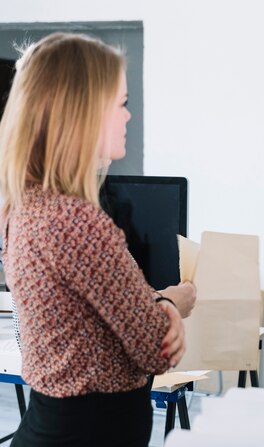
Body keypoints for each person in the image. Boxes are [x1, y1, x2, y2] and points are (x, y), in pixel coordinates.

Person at [0, 32, 194, 446]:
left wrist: (158, 305)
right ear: (82, 112)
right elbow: (155, 351)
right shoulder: (76, 221)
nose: (128, 116)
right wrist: (173, 305)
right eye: (120, 105)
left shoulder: (28, 203)